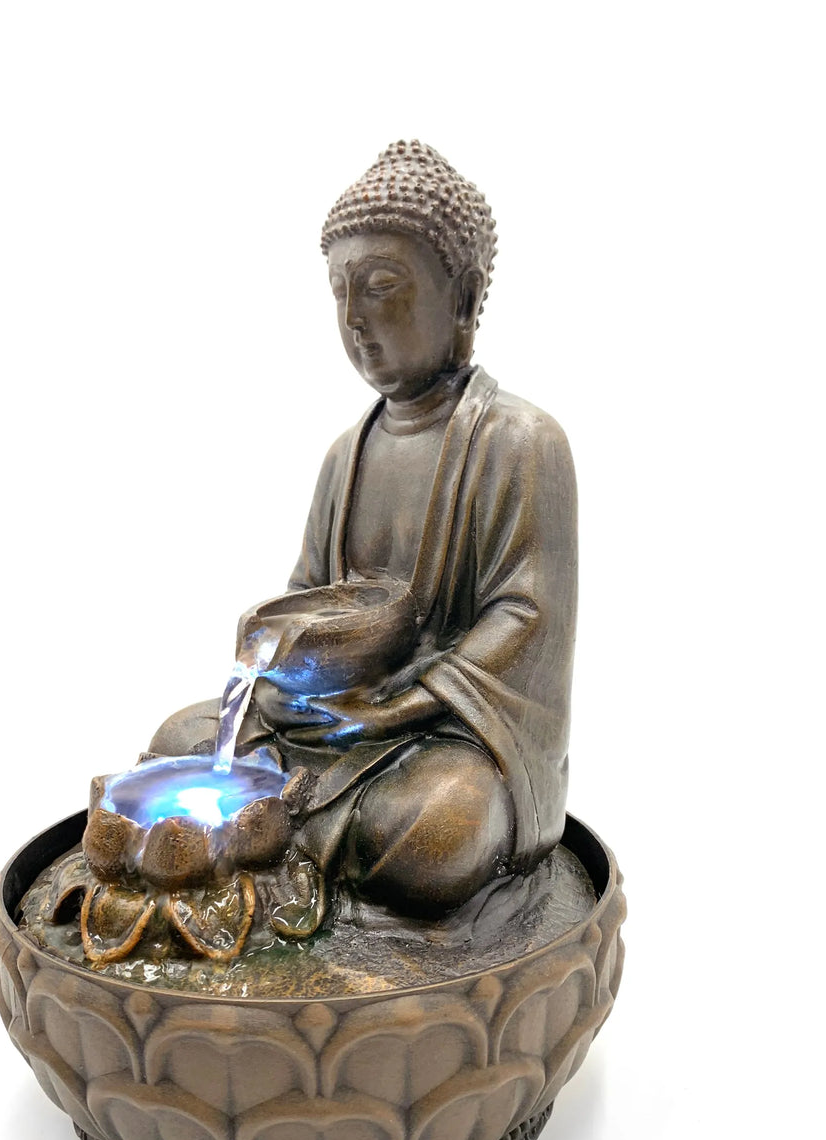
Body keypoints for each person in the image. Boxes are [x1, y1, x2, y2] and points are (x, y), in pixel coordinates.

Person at [149, 140, 577, 917]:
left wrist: (400, 705)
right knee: (179, 740)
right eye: (340, 291)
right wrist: (279, 670)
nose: (354, 318)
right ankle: (282, 836)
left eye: (381, 287)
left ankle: (267, 838)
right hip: (329, 730)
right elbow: (310, 593)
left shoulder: (519, 442)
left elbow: (526, 617)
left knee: (439, 828)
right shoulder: (345, 456)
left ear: (464, 297)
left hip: (443, 737)